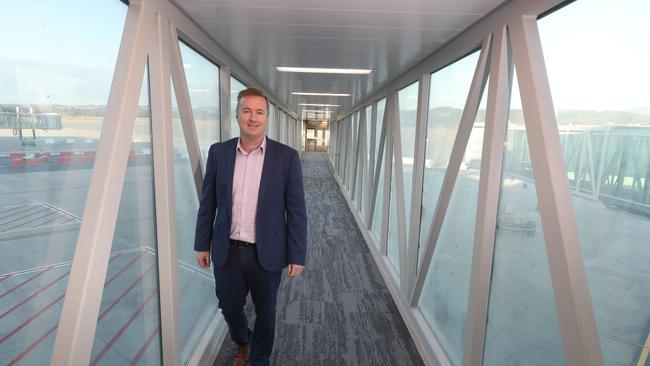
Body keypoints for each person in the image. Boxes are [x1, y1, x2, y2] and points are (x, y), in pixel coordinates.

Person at [194, 87, 308, 366]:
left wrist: (297, 255)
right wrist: (201, 243)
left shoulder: (286, 157)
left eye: (259, 112)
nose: (253, 117)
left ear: (267, 117)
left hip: (267, 252)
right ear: (237, 115)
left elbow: (296, 211)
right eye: (247, 111)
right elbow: (208, 202)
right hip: (228, 251)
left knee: (266, 314)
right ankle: (243, 339)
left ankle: (259, 360)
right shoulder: (219, 153)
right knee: (229, 306)